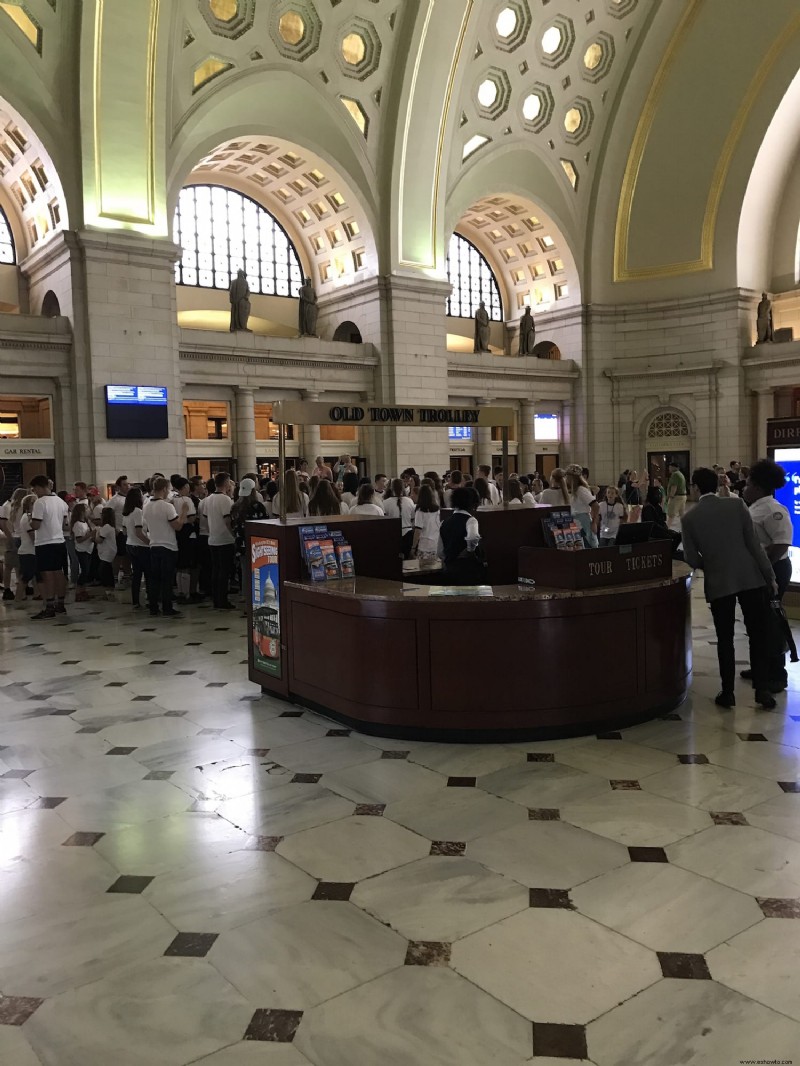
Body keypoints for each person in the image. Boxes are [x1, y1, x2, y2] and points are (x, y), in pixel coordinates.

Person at [681, 467, 777, 710]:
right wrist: (770, 575)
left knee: (725, 638)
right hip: (750, 577)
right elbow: (754, 545)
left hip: (719, 581)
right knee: (757, 633)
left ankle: (728, 692)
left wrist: (712, 564)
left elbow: (692, 559)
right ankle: (763, 690)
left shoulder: (689, 518)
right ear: (717, 485)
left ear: (694, 487)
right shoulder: (736, 506)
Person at [742, 459, 793, 692]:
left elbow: (781, 545)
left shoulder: (774, 510)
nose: (745, 487)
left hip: (774, 570)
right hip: (759, 570)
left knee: (772, 622)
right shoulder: (754, 507)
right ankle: (761, 666)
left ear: (760, 487)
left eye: (749, 483)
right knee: (758, 621)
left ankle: (776, 674)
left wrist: (764, 568)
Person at [143, 477, 188, 618]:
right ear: (164, 489)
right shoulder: (167, 506)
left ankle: (154, 607)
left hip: (154, 544)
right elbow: (177, 526)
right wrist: (184, 512)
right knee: (167, 579)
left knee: (154, 578)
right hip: (168, 546)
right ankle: (167, 607)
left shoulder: (147, 505)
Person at [29, 474, 69, 619]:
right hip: (59, 540)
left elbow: (36, 525)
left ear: (40, 487)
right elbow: (65, 523)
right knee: (59, 573)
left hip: (45, 542)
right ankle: (61, 604)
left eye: (35, 489)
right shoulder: (60, 501)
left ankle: (50, 606)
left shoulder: (40, 503)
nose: (35, 492)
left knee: (47, 574)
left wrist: (30, 520)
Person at [201, 471, 237, 610]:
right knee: (224, 571)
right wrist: (233, 535)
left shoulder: (208, 499)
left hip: (212, 538)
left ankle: (216, 598)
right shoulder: (225, 500)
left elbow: (204, 519)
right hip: (224, 539)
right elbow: (227, 520)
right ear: (226, 483)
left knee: (215, 570)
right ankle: (222, 599)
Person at [437, 486, 485, 584]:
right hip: (468, 569)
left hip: (450, 568)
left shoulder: (444, 522)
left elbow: (440, 551)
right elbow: (473, 537)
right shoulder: (471, 520)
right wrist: (470, 550)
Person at [122, 488, 150, 609]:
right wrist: (150, 542)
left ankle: (135, 601)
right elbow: (139, 532)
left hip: (130, 544)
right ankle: (150, 598)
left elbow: (124, 531)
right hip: (140, 546)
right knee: (148, 573)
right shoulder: (138, 511)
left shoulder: (126, 513)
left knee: (137, 574)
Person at [566, 465, 599, 547]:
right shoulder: (570, 490)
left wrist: (594, 523)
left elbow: (596, 505)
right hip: (574, 522)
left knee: (589, 545)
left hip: (584, 522)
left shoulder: (581, 490)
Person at [382, 477, 415, 558]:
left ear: (391, 488)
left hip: (393, 533)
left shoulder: (386, 502)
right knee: (407, 559)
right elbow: (413, 518)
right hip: (408, 533)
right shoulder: (409, 501)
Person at [412, 484, 442, 563]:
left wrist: (413, 547)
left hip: (424, 545)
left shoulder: (420, 511)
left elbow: (418, 531)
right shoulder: (438, 510)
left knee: (424, 569)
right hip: (436, 544)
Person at [95, 506, 118, 597]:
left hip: (107, 551)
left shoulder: (107, 527)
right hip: (108, 550)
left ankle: (109, 589)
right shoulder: (108, 526)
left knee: (104, 571)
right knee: (106, 569)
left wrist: (95, 535)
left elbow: (99, 540)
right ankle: (109, 589)